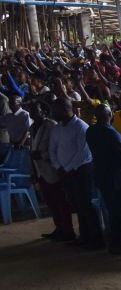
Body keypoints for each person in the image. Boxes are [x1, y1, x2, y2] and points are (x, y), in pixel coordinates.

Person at [48, 97, 104, 250]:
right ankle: (85, 237)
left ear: (66, 109)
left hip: (81, 171)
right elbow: (52, 149)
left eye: (56, 110)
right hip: (65, 172)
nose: (53, 113)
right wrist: (58, 166)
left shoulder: (80, 126)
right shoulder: (57, 128)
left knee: (87, 205)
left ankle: (97, 239)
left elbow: (83, 153)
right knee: (77, 206)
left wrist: (66, 169)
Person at [85, 103, 121, 254]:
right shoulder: (112, 133)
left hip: (102, 176)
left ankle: (115, 242)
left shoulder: (91, 131)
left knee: (111, 212)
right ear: (109, 115)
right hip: (117, 178)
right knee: (119, 212)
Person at [28, 100, 74, 241]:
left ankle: (68, 231)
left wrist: (42, 155)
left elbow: (57, 148)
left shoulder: (51, 126)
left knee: (61, 201)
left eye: (35, 110)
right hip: (40, 169)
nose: (32, 113)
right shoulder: (32, 127)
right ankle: (59, 228)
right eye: (31, 111)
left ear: (43, 111)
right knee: (51, 202)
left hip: (53, 168)